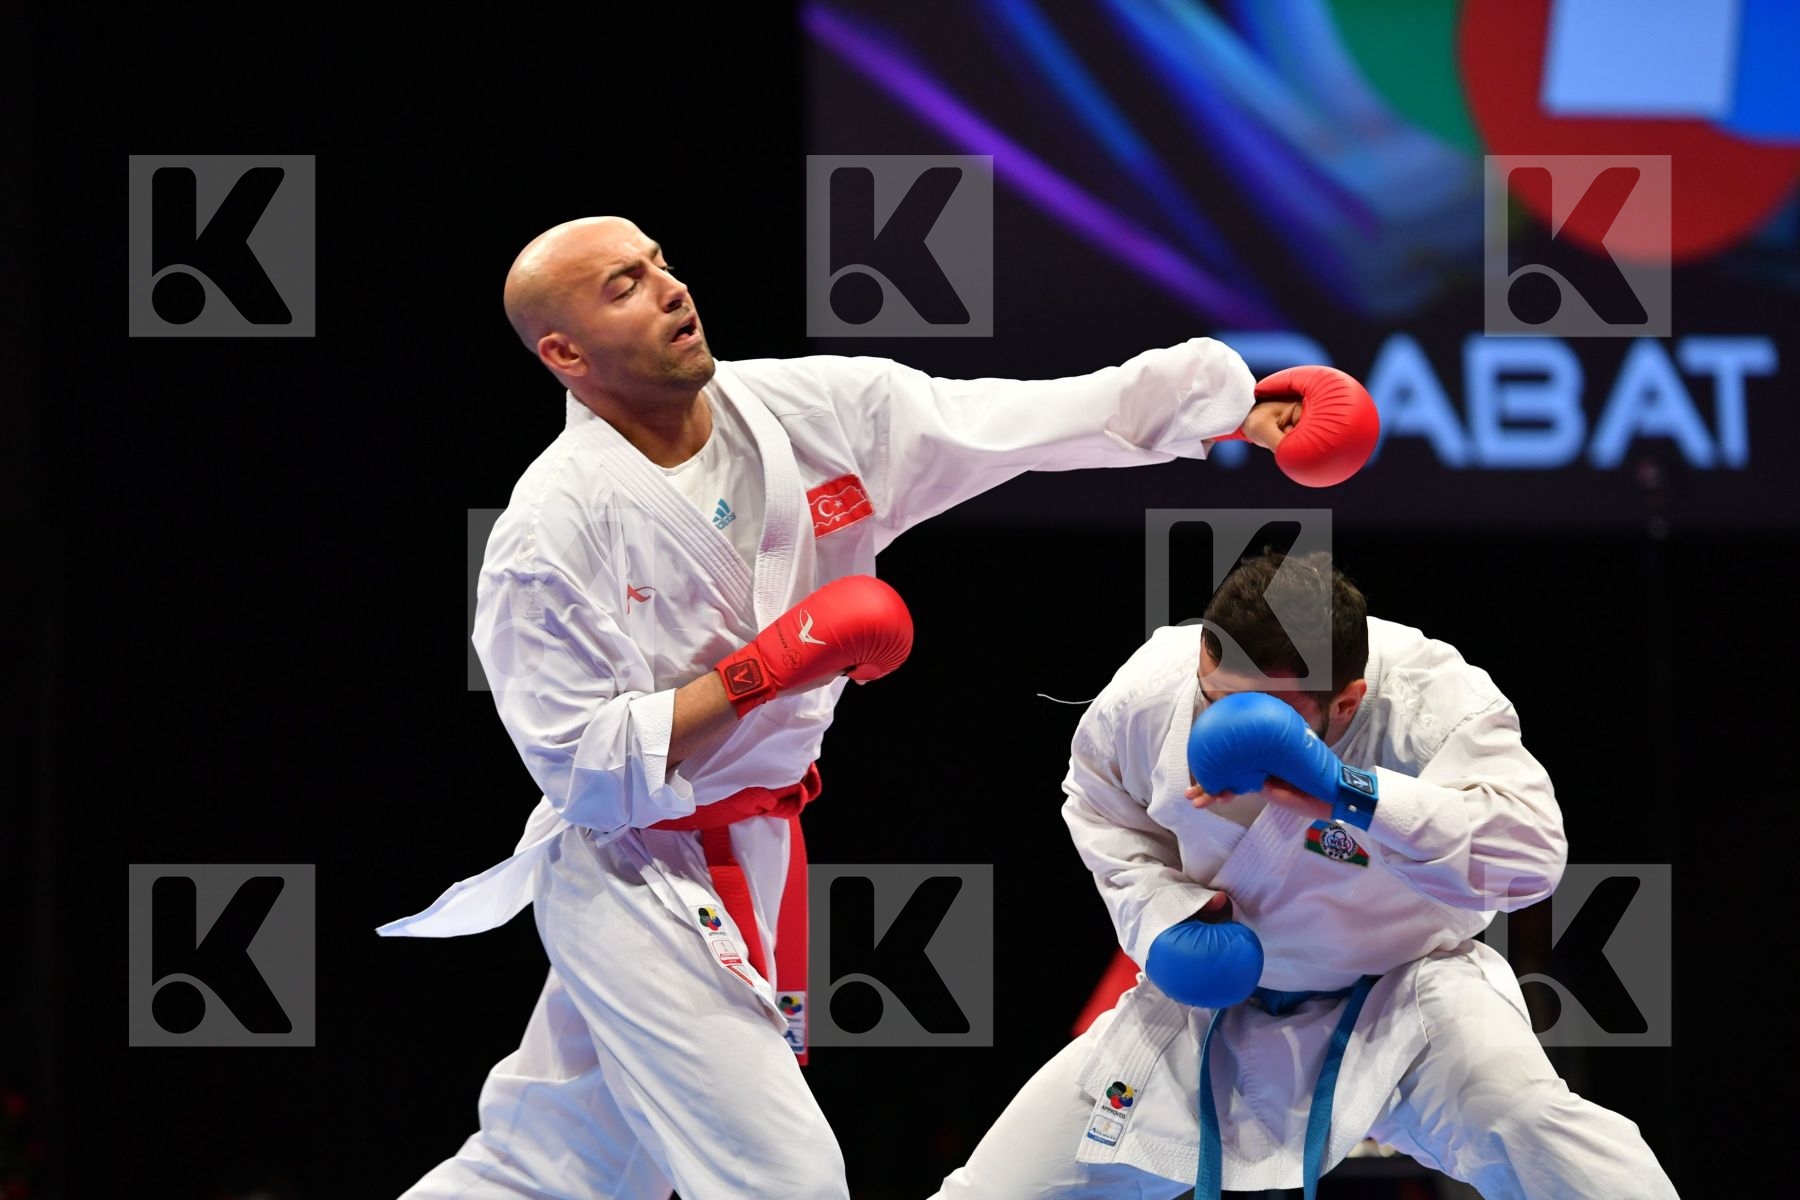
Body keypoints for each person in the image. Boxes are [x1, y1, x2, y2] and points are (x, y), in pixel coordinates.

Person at [378, 215, 1376, 1200]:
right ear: (564, 353)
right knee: (788, 1179)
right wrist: (758, 672)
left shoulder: (816, 413)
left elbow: (1020, 419)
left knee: (552, 1167)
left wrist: (1231, 409)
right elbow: (580, 769)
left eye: (661, 263)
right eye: (623, 287)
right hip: (631, 866)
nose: (670, 288)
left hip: (758, 839)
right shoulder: (548, 533)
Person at [933, 551, 1680, 1199]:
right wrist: (1161, 920)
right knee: (1001, 1186)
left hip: (1406, 1001)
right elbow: (1098, 806)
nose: (1221, 730)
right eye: (1214, 700)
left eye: (1270, 715)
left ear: (1345, 702)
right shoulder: (1152, 693)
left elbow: (1529, 863)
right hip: (1210, 1013)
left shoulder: (1428, 702)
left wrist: (1350, 790)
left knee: (1541, 1131)